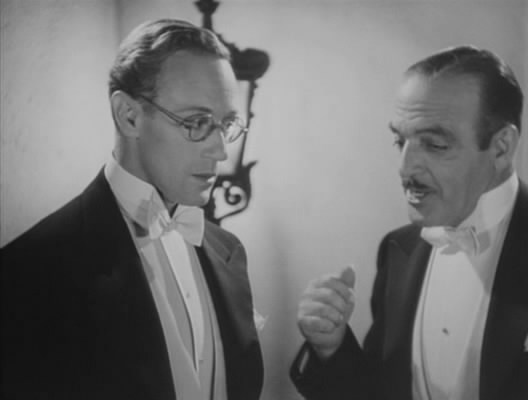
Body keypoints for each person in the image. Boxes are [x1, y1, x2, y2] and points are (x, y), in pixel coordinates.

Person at [1, 19, 263, 400]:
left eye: (227, 125)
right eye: (197, 122)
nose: (222, 152)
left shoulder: (230, 252)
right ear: (128, 116)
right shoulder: (28, 272)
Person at [290, 46, 527, 400]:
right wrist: (331, 346)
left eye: (434, 144)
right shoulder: (398, 250)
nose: (405, 168)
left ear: (502, 148)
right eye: (400, 140)